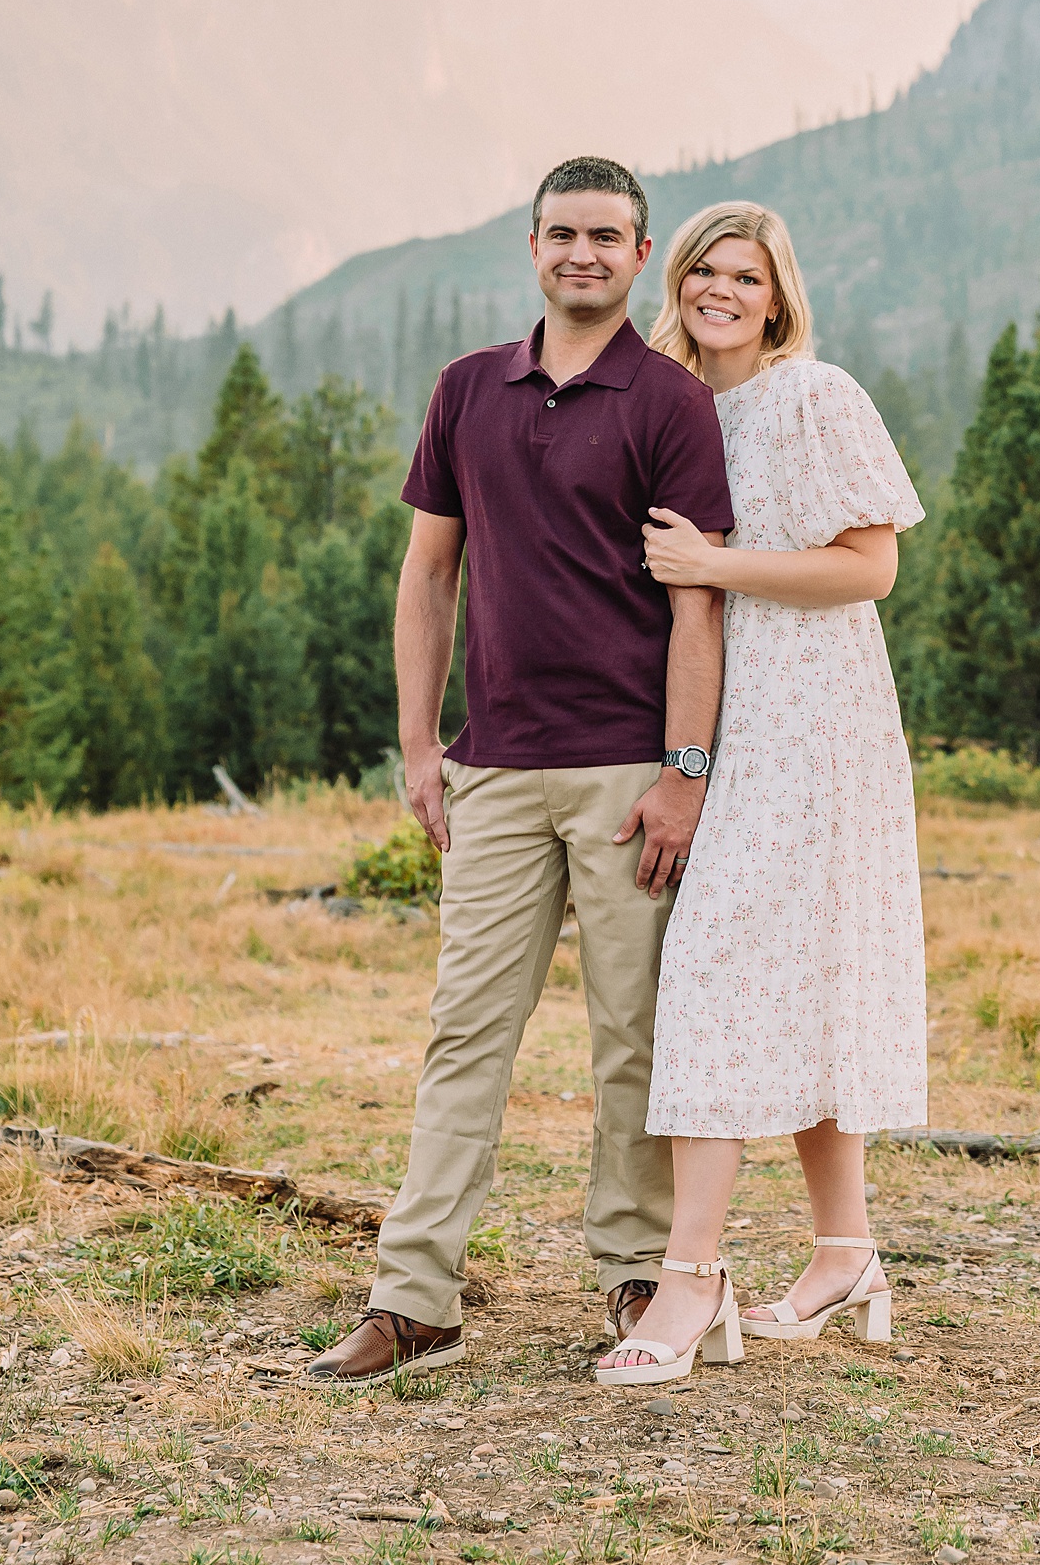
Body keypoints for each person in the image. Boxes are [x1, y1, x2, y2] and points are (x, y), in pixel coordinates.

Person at [308, 157, 734, 1387]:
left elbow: (697, 604)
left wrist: (684, 773)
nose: (583, 253)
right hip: (490, 774)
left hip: (625, 779)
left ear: (639, 254)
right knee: (465, 1038)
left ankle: (640, 1276)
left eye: (607, 236)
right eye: (563, 233)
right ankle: (414, 1300)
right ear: (531, 246)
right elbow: (425, 576)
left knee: (633, 1040)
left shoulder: (668, 405)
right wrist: (416, 744)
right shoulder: (465, 392)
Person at [594, 200, 927, 1388]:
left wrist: (717, 565)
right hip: (722, 716)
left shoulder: (814, 395)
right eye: (701, 270)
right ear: (673, 281)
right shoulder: (674, 405)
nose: (719, 290)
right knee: (790, 976)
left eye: (744, 275)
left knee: (719, 968)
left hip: (815, 714)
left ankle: (692, 1275)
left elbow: (871, 564)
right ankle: (845, 1249)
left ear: (777, 295)